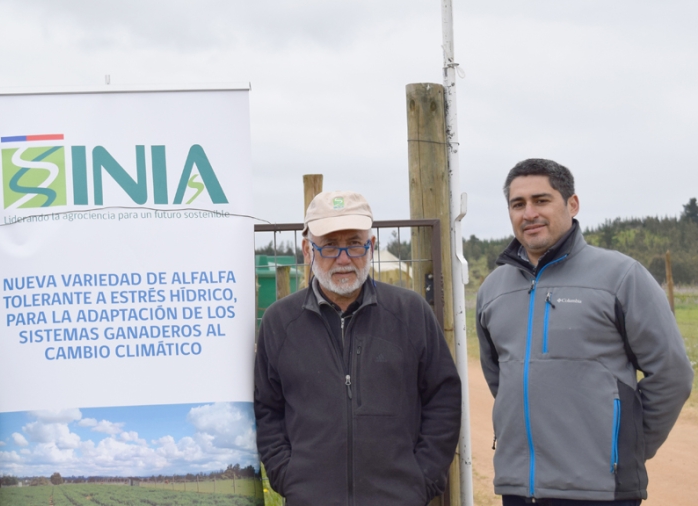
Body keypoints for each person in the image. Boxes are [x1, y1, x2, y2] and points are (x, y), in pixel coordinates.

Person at [476, 159, 693, 505]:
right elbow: (500, 378)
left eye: (541, 200)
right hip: (518, 489)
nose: (529, 212)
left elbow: (671, 374)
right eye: (518, 204)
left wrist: (626, 449)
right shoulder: (493, 290)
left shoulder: (621, 276)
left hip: (600, 490)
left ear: (572, 204)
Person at [254, 190, 462, 506]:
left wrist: (422, 478)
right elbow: (267, 409)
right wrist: (288, 476)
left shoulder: (411, 313)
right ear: (307, 250)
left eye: (354, 243)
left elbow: (443, 398)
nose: (343, 259)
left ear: (372, 246)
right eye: (330, 246)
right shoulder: (278, 322)